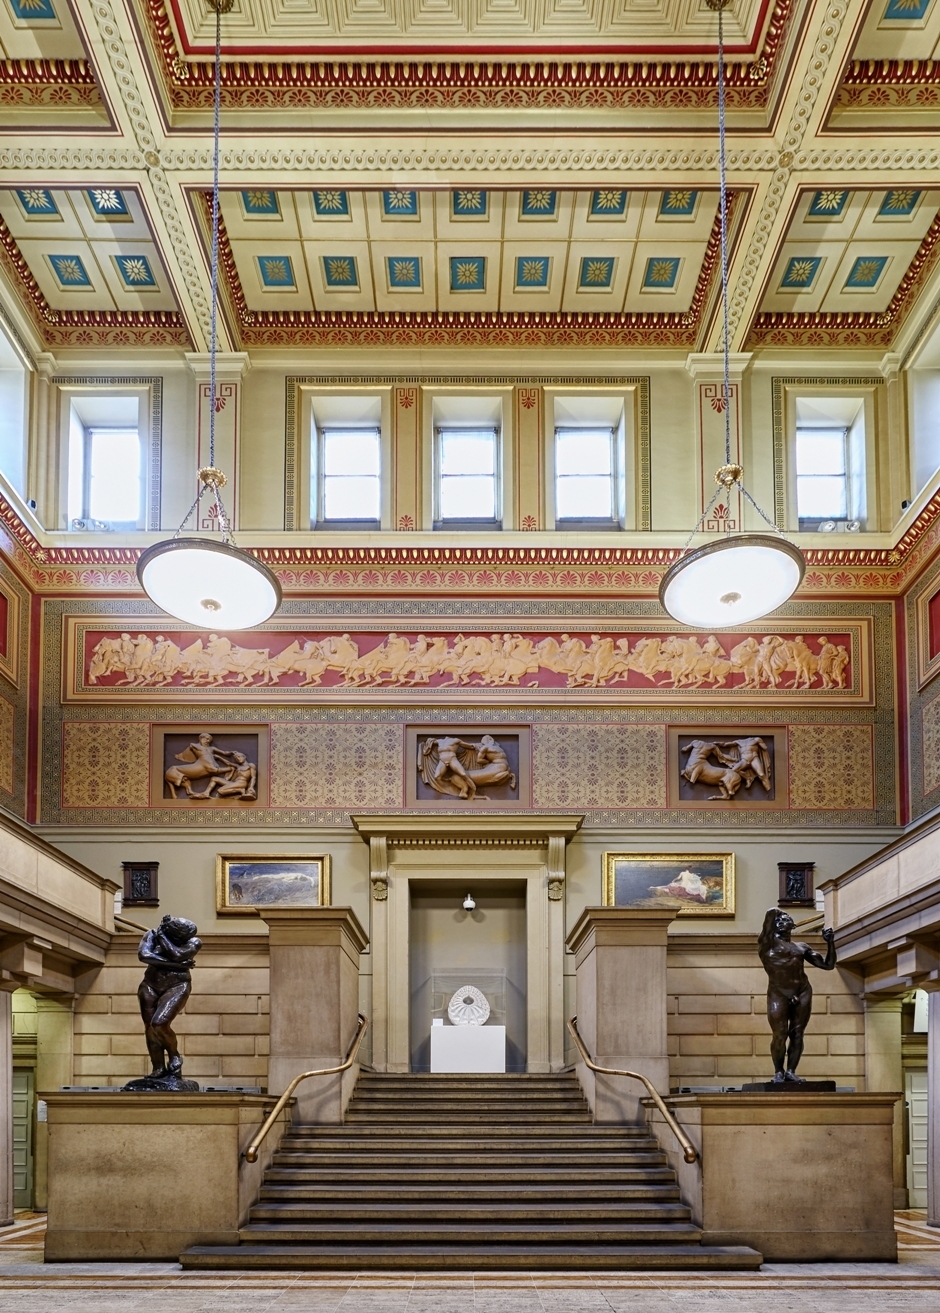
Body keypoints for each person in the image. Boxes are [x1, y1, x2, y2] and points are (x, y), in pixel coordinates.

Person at [758, 908, 836, 1083]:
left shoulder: (801, 947)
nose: (780, 921)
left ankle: (791, 1071)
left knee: (797, 1033)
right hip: (779, 992)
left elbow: (828, 965)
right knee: (780, 1034)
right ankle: (778, 1071)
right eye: (778, 920)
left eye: (785, 919)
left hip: (802, 990)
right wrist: (779, 911)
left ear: (793, 925)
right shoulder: (767, 943)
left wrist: (830, 943)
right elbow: (770, 914)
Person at [135, 916, 202, 1082]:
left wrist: (162, 937)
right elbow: (144, 955)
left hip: (177, 985)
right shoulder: (151, 934)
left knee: (159, 1023)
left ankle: (174, 1055)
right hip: (150, 984)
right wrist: (177, 965)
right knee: (150, 1027)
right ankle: (158, 1067)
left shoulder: (194, 941)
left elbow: (178, 954)